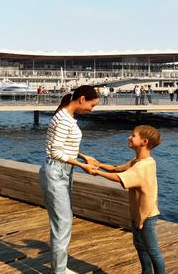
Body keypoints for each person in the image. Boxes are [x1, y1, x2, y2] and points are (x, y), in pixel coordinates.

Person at [39, 85, 101, 274]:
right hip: (57, 172)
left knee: (61, 222)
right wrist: (84, 166)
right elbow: (56, 152)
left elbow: (63, 145)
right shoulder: (64, 119)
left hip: (62, 171)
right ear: (82, 99)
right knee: (63, 223)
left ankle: (59, 268)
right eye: (92, 105)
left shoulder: (66, 117)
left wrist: (83, 157)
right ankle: (59, 271)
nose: (92, 109)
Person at [91, 125, 165, 273]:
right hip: (137, 214)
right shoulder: (137, 161)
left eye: (133, 135)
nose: (129, 137)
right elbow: (116, 169)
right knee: (140, 247)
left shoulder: (144, 165)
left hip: (147, 216)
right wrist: (98, 165)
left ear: (144, 142)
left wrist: (97, 173)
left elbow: (118, 178)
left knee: (153, 251)